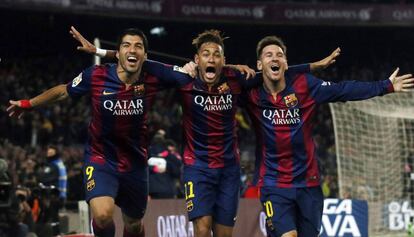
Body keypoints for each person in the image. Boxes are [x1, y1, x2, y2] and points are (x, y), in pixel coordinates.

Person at [70, 27, 339, 237]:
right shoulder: (184, 80)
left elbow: (274, 72)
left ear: (224, 60)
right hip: (196, 168)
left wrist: (312, 66)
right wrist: (100, 51)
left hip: (229, 170)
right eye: (206, 55)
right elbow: (144, 63)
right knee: (201, 229)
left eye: (217, 55)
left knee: (222, 233)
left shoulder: (235, 81)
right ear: (196, 60)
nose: (211, 59)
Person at [7, 28, 195, 237]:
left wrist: (195, 68)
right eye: (126, 45)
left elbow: (203, 72)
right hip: (101, 158)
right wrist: (29, 103)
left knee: (133, 224)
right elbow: (63, 91)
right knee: (103, 216)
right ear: (118, 52)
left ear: (145, 56)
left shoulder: (154, 74)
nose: (132, 50)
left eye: (138, 46)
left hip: (135, 162)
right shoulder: (97, 75)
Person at [243, 35, 414, 237]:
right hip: (273, 184)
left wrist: (385, 86)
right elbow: (219, 78)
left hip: (309, 183)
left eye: (280, 55)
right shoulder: (249, 93)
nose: (275, 59)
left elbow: (343, 90)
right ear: (259, 64)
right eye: (268, 55)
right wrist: (193, 68)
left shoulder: (304, 85)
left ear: (286, 63)